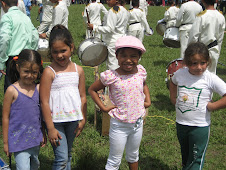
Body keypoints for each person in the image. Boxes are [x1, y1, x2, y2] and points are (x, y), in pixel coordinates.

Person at [88, 36, 151, 170]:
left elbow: (143, 84)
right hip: (119, 125)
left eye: (133, 56)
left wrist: (147, 100)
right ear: (116, 56)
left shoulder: (140, 71)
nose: (128, 60)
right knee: (114, 160)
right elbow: (92, 89)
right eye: (123, 56)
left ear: (139, 57)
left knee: (133, 155)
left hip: (137, 124)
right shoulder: (111, 76)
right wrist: (103, 107)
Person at [169, 42, 226, 170]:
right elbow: (172, 82)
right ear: (187, 62)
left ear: (208, 62)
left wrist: (213, 106)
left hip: (199, 127)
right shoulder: (180, 74)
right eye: (194, 63)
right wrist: (173, 97)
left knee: (195, 159)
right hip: (181, 124)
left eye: (203, 63)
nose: (199, 67)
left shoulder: (210, 78)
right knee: (186, 155)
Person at [40, 24, 87, 169]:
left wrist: (83, 118)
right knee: (61, 158)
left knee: (68, 155)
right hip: (56, 122)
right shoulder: (49, 72)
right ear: (50, 52)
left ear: (71, 47)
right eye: (55, 52)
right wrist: (50, 127)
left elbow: (83, 96)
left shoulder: (78, 70)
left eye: (63, 50)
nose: (60, 55)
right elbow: (44, 101)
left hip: (73, 120)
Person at [2, 49, 46, 170]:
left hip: (35, 140)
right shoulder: (12, 91)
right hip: (18, 141)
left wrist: (43, 133)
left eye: (34, 72)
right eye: (26, 71)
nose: (30, 75)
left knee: (35, 166)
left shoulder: (38, 89)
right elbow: (5, 118)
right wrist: (6, 143)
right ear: (18, 68)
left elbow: (40, 115)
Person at [0, 0, 39, 93]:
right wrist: (32, 52)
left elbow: (4, 39)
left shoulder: (6, 17)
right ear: (17, 4)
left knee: (11, 89)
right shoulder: (26, 18)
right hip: (27, 57)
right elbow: (35, 37)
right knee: (26, 87)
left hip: (13, 60)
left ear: (3, 3)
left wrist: (1, 61)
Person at [87, 0, 128, 70]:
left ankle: (113, 80)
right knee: (119, 64)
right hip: (122, 40)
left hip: (112, 42)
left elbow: (109, 29)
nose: (107, 1)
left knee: (112, 65)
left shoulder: (113, 11)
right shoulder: (125, 10)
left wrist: (94, 27)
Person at [188, 0, 225, 74]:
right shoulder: (221, 16)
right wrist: (218, 51)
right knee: (211, 77)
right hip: (214, 50)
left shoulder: (201, 16)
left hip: (200, 51)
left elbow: (193, 36)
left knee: (198, 77)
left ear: (203, 1)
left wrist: (190, 52)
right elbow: (220, 38)